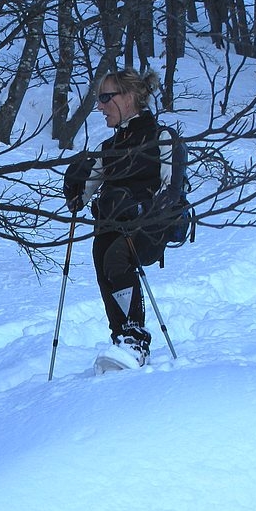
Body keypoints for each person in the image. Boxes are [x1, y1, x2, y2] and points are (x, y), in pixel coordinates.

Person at [63, 68, 174, 368]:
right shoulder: (109, 149)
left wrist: (144, 211)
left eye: (105, 98)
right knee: (102, 254)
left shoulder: (160, 137)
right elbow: (81, 196)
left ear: (129, 97)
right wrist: (74, 184)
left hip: (148, 228)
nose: (99, 106)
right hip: (112, 225)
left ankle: (135, 341)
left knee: (115, 257)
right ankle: (121, 339)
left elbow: (171, 189)